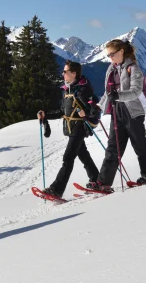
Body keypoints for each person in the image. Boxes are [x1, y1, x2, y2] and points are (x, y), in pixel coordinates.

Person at [88, 39, 146, 192]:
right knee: (113, 147)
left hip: (133, 112)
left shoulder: (134, 68)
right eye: (108, 55)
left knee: (139, 145)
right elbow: (109, 93)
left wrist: (118, 95)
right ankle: (103, 183)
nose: (110, 58)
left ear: (121, 51)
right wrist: (98, 107)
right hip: (117, 111)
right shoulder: (111, 69)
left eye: (112, 54)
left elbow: (136, 91)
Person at [37, 60, 101, 198]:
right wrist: (45, 114)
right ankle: (97, 179)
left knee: (68, 158)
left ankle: (56, 189)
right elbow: (62, 112)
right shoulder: (68, 90)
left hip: (80, 128)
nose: (63, 74)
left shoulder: (83, 90)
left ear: (74, 73)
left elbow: (94, 109)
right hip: (71, 128)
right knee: (83, 155)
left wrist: (87, 113)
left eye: (65, 71)